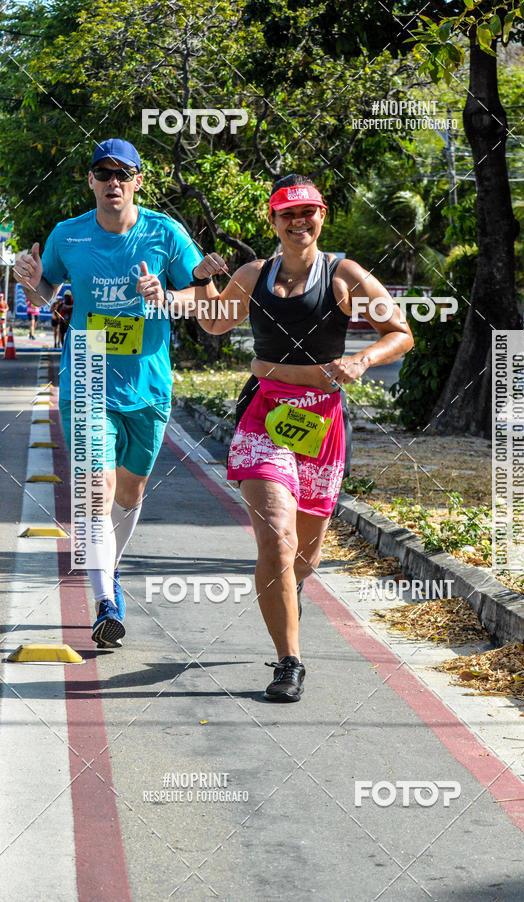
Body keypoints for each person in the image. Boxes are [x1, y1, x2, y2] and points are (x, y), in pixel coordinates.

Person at [191, 174, 414, 701]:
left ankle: (288, 592)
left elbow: (401, 332)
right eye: (287, 214)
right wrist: (203, 280)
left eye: (307, 212)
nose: (298, 222)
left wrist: (362, 359)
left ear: (321, 215)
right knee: (276, 540)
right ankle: (289, 662)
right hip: (264, 417)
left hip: (322, 423)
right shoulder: (254, 273)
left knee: (304, 557)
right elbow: (216, 325)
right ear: (273, 221)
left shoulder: (343, 274)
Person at [13, 138, 203, 648]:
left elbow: (203, 296)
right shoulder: (67, 235)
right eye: (103, 173)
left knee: (129, 492)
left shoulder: (165, 233)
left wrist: (168, 296)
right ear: (91, 180)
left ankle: (107, 571)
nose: (113, 182)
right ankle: (105, 602)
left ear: (138, 180)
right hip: (88, 374)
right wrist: (31, 283)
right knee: (94, 492)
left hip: (149, 382)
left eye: (123, 174)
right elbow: (47, 290)